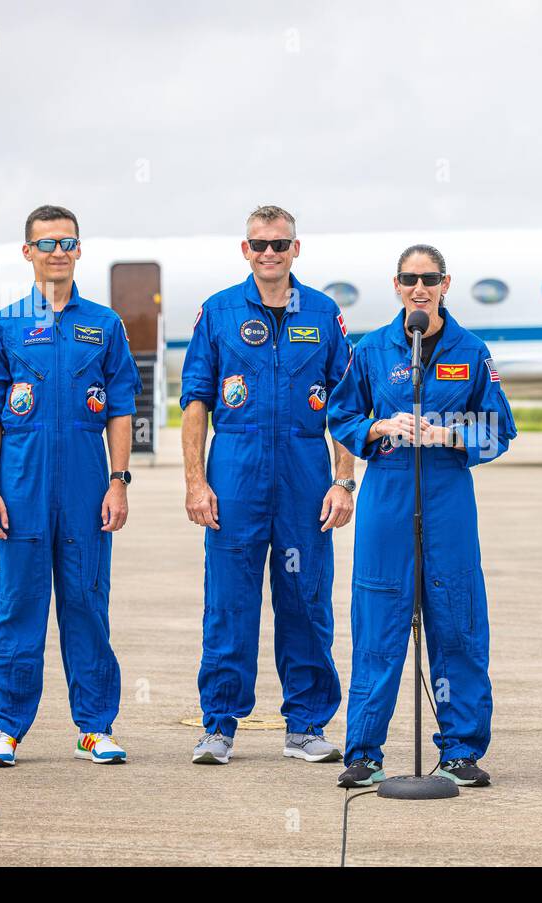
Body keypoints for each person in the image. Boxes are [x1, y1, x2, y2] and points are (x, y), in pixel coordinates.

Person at [326, 243, 517, 788]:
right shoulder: (373, 350)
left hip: (446, 497)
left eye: (429, 278)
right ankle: (364, 751)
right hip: (388, 498)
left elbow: (500, 429)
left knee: (457, 623)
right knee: (378, 625)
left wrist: (450, 434)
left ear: (445, 284)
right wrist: (380, 428)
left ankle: (460, 750)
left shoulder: (471, 350)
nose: (419, 288)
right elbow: (342, 415)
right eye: (409, 279)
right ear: (396, 285)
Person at [180, 205, 355, 766]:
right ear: (245, 249)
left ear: (296, 249)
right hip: (235, 472)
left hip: (304, 476)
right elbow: (195, 403)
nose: (269, 253)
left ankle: (305, 725)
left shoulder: (325, 314)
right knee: (229, 603)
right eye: (259, 244)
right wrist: (196, 483)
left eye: (280, 244)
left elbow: (346, 406)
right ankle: (219, 727)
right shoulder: (219, 312)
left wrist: (343, 482)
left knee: (305, 600)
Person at [0, 204, 141, 767]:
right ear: (27, 253)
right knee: (16, 605)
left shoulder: (105, 324)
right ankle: (6, 728)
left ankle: (94, 727)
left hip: (86, 488)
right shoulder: (4, 325)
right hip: (20, 489)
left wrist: (118, 482)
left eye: (68, 242)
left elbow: (120, 408)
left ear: (78, 250)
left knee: (87, 603)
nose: (58, 252)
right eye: (46, 244)